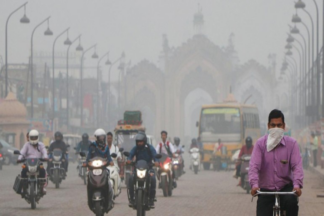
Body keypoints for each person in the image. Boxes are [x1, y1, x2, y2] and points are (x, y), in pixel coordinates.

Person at [249, 109, 303, 216]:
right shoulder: (260, 144)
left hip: (285, 188)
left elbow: (297, 166)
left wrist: (297, 185)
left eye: (279, 125)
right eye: (273, 125)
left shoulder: (292, 144)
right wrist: (254, 185)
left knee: (292, 204)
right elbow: (254, 166)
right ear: (268, 126)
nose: (276, 128)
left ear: (283, 127)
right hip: (265, 190)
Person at [127, 132, 159, 207]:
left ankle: (151, 198)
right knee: (131, 178)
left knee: (153, 178)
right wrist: (128, 160)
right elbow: (130, 154)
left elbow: (155, 155)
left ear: (144, 141)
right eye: (138, 142)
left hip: (149, 168)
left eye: (141, 141)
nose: (139, 143)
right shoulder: (135, 148)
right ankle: (132, 198)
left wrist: (157, 161)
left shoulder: (149, 147)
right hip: (137, 169)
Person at [86, 128, 114, 211]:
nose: (101, 139)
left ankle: (109, 199)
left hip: (103, 168)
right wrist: (86, 163)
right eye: (100, 137)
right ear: (96, 138)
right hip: (93, 169)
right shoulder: (92, 146)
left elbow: (108, 158)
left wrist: (111, 161)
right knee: (88, 181)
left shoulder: (106, 148)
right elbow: (88, 158)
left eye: (102, 137)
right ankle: (89, 200)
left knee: (109, 183)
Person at [18, 129, 48, 197]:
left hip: (38, 162)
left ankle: (42, 186)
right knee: (23, 171)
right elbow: (22, 152)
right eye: (32, 137)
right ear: (29, 137)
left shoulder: (41, 145)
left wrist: (45, 157)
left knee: (43, 170)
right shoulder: (26, 145)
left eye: (35, 137)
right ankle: (24, 187)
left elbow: (44, 151)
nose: (34, 139)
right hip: (27, 163)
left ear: (38, 137)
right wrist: (19, 159)